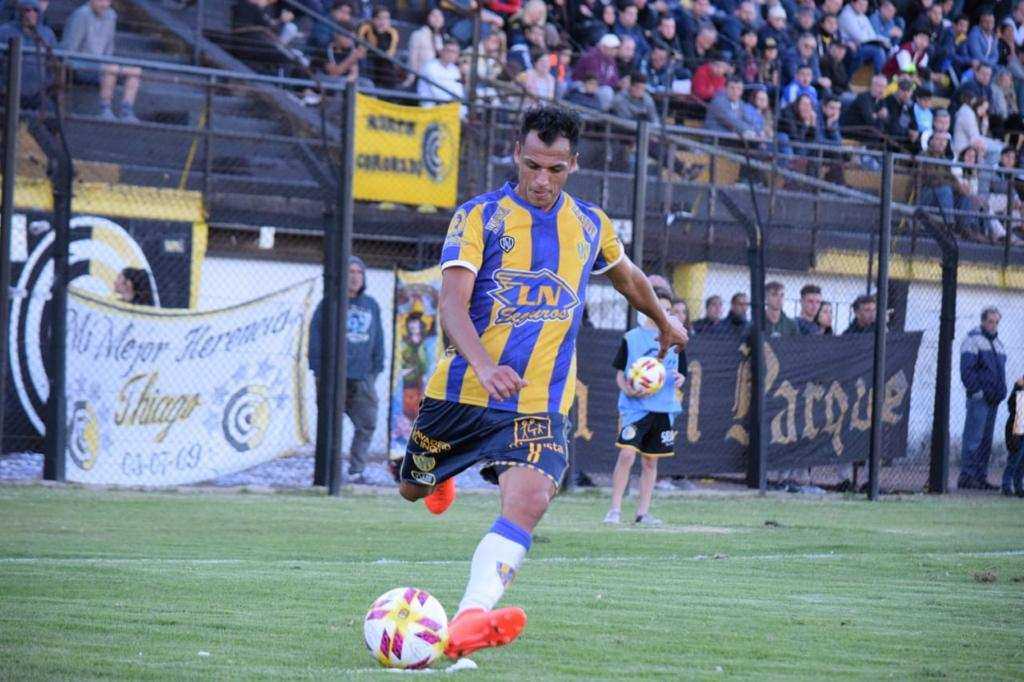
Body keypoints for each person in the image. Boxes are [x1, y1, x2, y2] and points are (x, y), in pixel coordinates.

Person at [395, 106, 687, 661]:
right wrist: (484, 365)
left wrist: (663, 320)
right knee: (412, 488)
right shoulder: (479, 217)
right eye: (532, 165)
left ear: (573, 164)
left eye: (554, 169)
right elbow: (451, 304)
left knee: (531, 499)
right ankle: (439, 479)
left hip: (539, 401)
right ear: (516, 155)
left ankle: (469, 619)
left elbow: (627, 276)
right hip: (461, 394)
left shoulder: (590, 224)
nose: (541, 180)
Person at [605, 288, 686, 526]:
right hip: (635, 407)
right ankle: (614, 510)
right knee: (627, 454)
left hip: (663, 407)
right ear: (649, 307)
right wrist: (629, 389)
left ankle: (643, 513)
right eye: (660, 308)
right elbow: (620, 374)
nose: (665, 314)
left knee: (651, 461)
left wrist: (680, 378)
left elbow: (681, 372)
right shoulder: (632, 338)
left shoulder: (676, 338)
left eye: (669, 310)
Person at [309, 256, 385, 483]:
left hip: (362, 377)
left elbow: (378, 339)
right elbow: (315, 337)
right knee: (330, 425)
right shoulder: (329, 303)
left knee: (367, 422)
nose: (355, 277)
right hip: (333, 377)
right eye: (350, 272)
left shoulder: (371, 305)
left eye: (359, 273)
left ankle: (356, 471)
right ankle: (327, 472)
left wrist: (375, 369)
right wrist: (318, 370)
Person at [61, 0, 142, 122]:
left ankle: (126, 110)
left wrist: (106, 63)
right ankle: (105, 109)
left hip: (102, 65)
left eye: (108, 1)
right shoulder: (81, 15)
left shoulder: (111, 15)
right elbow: (69, 49)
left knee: (135, 70)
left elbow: (109, 47)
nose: (105, 4)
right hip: (80, 66)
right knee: (110, 68)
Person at [958, 307, 1007, 490]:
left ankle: (980, 477)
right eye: (990, 321)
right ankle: (967, 477)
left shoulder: (998, 344)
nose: (993, 325)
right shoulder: (972, 340)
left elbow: (1000, 373)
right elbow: (967, 371)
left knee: (986, 440)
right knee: (974, 439)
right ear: (983, 321)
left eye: (996, 322)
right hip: (979, 399)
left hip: (993, 400)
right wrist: (977, 391)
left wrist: (1001, 392)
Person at [418, 39, 465, 104]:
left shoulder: (454, 69)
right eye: (448, 50)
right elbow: (437, 93)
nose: (451, 54)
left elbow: (458, 92)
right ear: (442, 51)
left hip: (449, 105)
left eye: (454, 52)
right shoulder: (430, 66)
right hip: (431, 106)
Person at [1003, 376, 1024, 496]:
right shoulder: (1020, 385)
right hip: (1017, 425)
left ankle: (1018, 486)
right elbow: (1013, 406)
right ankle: (1006, 485)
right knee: (1015, 457)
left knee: (1021, 461)